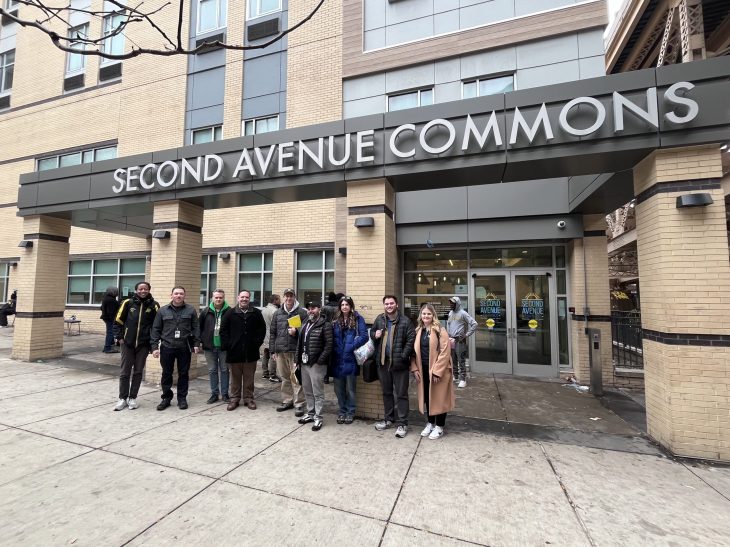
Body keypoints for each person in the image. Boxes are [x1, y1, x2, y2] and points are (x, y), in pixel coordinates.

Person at [370, 295, 416, 438]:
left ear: (397, 305)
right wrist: (374, 334)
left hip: (399, 364)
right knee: (387, 393)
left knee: (401, 395)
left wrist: (403, 355)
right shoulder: (380, 319)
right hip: (383, 363)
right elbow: (372, 333)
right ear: (384, 305)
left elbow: (411, 339)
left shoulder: (405, 321)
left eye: (391, 303)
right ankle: (389, 419)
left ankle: (402, 423)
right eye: (386, 304)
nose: (389, 306)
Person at [151, 286, 201, 410]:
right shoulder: (162, 311)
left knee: (183, 373)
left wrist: (196, 343)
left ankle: (182, 399)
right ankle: (166, 398)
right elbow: (156, 329)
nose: (178, 296)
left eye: (181, 294)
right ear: (171, 295)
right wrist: (154, 347)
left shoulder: (190, 310)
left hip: (184, 347)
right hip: (167, 346)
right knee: (166, 373)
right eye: (176, 293)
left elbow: (196, 328)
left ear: (184, 295)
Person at [411, 303, 456, 439]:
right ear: (421, 316)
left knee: (439, 398)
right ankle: (430, 423)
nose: (426, 316)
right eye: (424, 314)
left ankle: (439, 426)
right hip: (423, 370)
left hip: (437, 371)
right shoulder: (418, 331)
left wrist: (437, 371)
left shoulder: (440, 330)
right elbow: (413, 353)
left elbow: (445, 352)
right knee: (428, 397)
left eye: (429, 314)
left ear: (433, 315)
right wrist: (414, 368)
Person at [112, 282, 159, 411]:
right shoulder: (127, 303)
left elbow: (156, 326)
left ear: (149, 290)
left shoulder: (154, 305)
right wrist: (120, 338)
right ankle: (122, 398)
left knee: (138, 372)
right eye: (140, 289)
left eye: (145, 289)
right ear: (136, 290)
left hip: (143, 345)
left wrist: (153, 344)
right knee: (125, 372)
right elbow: (117, 321)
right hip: (127, 344)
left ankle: (132, 398)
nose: (143, 291)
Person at [220, 290, 267, 411]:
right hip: (234, 352)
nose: (244, 299)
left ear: (249, 299)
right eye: (242, 297)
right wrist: (228, 345)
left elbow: (262, 330)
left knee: (249, 378)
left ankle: (248, 399)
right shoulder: (229, 313)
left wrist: (256, 343)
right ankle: (234, 399)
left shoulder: (256, 313)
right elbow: (223, 331)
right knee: (235, 378)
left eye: (246, 297)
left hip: (250, 353)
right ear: (238, 298)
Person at [270, 288, 308, 417]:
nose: (288, 299)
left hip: (295, 351)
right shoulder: (277, 313)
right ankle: (287, 401)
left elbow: (307, 332)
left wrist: (296, 332)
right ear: (283, 297)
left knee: (296, 378)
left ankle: (299, 404)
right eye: (286, 296)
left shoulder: (302, 313)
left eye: (291, 296)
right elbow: (273, 333)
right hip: (280, 351)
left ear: (294, 297)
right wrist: (272, 351)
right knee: (285, 377)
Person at [295, 301, 333, 431]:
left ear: (319, 309)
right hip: (304, 363)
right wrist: (297, 360)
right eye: (309, 309)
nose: (311, 311)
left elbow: (329, 346)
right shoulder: (305, 323)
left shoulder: (325, 325)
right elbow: (300, 343)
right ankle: (310, 413)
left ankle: (318, 417)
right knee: (307, 390)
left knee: (318, 393)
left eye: (314, 308)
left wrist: (320, 360)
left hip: (316, 364)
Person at [331, 295, 367, 424]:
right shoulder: (335, 321)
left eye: (347, 304)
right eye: (342, 305)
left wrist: (350, 347)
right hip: (337, 359)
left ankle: (350, 412)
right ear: (340, 307)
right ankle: (342, 411)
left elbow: (364, 336)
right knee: (338, 389)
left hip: (350, 359)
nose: (344, 307)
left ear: (351, 306)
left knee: (351, 389)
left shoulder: (358, 319)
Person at [199, 289, 230, 404]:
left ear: (224, 298)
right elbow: (199, 328)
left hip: (224, 347)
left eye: (220, 297)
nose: (218, 299)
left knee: (225, 370)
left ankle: (225, 393)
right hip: (209, 347)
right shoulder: (205, 311)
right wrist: (200, 342)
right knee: (212, 371)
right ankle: (214, 394)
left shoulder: (229, 311)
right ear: (212, 298)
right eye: (216, 297)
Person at [446, 296, 478, 388]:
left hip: (460, 341)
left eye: (452, 303)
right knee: (453, 360)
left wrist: (466, 334)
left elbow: (474, 324)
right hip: (451, 340)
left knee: (461, 360)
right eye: (450, 303)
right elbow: (448, 324)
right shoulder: (450, 313)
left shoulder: (463, 313)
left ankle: (463, 379)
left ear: (457, 303)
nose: (451, 304)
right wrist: (448, 335)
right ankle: (455, 376)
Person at [321, 292, 343, 384]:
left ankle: (326, 377)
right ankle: (335, 376)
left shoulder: (324, 308)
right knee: (335, 356)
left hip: (326, 333)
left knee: (326, 355)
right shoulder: (339, 309)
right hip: (336, 334)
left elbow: (321, 320)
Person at [260, 293, 281, 382]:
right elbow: (277, 325)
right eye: (279, 299)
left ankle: (265, 373)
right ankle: (273, 375)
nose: (280, 301)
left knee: (265, 355)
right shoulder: (275, 311)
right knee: (273, 355)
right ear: (275, 300)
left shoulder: (263, 310)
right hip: (273, 337)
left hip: (265, 336)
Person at [100, 287, 120, 353]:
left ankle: (110, 346)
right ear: (113, 292)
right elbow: (111, 312)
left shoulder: (105, 298)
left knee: (110, 332)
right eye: (117, 292)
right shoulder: (111, 300)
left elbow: (101, 308)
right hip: (110, 318)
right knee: (110, 332)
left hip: (106, 317)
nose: (118, 293)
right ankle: (107, 348)